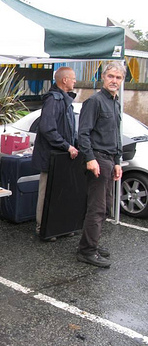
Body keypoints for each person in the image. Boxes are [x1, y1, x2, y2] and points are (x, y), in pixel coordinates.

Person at [77, 61, 125, 268]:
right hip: (97, 158)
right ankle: (87, 251)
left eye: (118, 78)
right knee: (97, 208)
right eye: (111, 76)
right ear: (103, 77)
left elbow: (115, 135)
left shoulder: (115, 102)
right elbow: (83, 133)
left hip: (109, 159)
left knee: (105, 207)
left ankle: (91, 243)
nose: (114, 81)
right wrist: (90, 158)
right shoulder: (94, 101)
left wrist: (118, 161)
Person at [32, 67, 79, 241]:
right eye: (73, 78)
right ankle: (42, 228)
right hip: (52, 157)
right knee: (46, 193)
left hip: (61, 157)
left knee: (61, 192)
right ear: (64, 80)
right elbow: (47, 128)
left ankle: (59, 227)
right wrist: (67, 146)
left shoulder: (64, 99)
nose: (75, 81)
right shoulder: (53, 100)